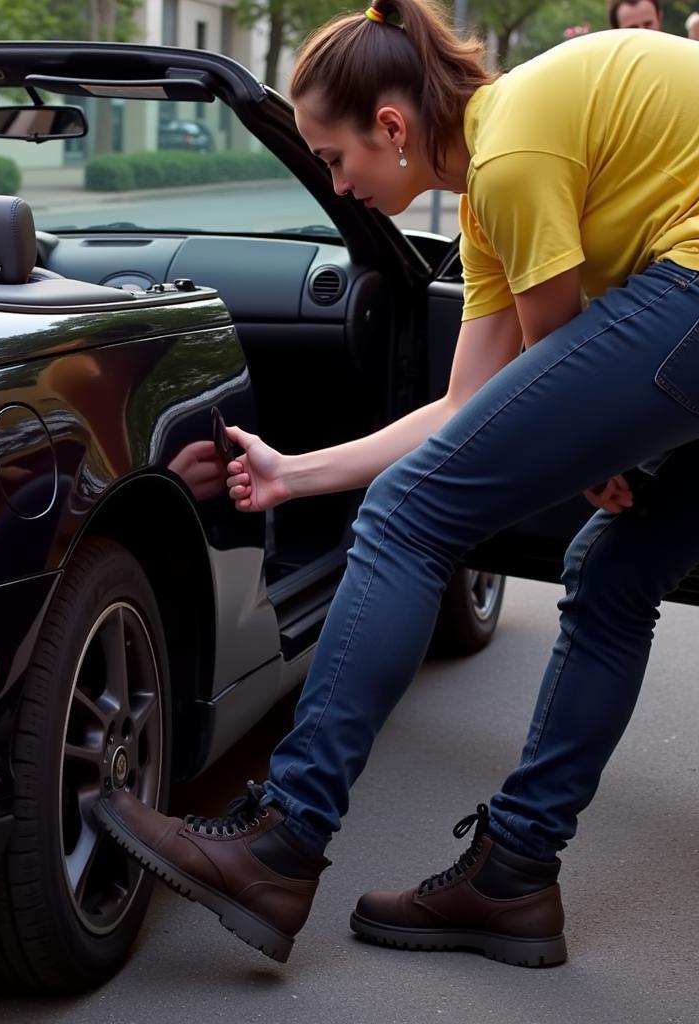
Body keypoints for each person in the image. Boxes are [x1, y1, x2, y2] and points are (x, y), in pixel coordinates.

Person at [94, 0, 699, 969]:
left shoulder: (511, 151)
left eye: (335, 160)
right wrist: (295, 474)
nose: (336, 185)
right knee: (613, 575)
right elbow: (467, 402)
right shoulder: (491, 187)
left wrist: (594, 452)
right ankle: (512, 878)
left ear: (392, 125)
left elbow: (549, 352)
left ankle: (283, 837)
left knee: (408, 516)